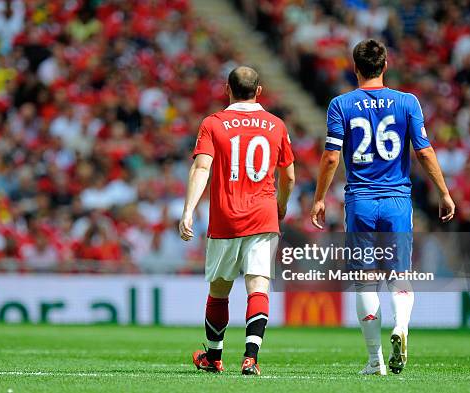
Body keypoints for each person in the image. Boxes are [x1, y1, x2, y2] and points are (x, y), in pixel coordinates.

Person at [310, 39, 455, 375]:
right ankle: (401, 326)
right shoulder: (407, 102)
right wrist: (444, 192)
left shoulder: (341, 104)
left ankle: (375, 361)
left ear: (355, 68)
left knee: (364, 281)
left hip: (360, 201)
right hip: (397, 201)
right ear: (385, 66)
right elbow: (423, 151)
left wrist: (319, 198)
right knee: (399, 277)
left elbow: (332, 156)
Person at [179, 66, 295, 375]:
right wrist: (281, 205)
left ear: (226, 89)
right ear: (259, 91)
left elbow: (201, 168)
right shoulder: (276, 124)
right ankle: (251, 358)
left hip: (226, 218)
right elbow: (290, 175)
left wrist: (189, 209)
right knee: (258, 286)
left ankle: (214, 358)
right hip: (264, 216)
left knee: (219, 291)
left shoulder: (212, 123)